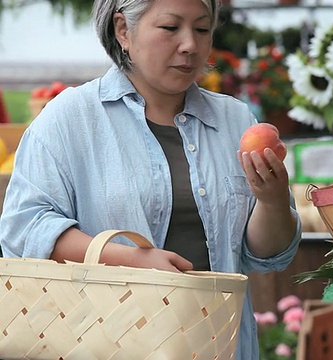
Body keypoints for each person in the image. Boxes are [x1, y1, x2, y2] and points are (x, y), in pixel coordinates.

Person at [0, 0, 302, 358]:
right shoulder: (69, 120)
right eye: (171, 28)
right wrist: (129, 260)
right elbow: (25, 229)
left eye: (202, 29)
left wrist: (271, 200)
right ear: (123, 30)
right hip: (106, 345)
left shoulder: (235, 122)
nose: (190, 44)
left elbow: (268, 255)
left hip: (221, 347)